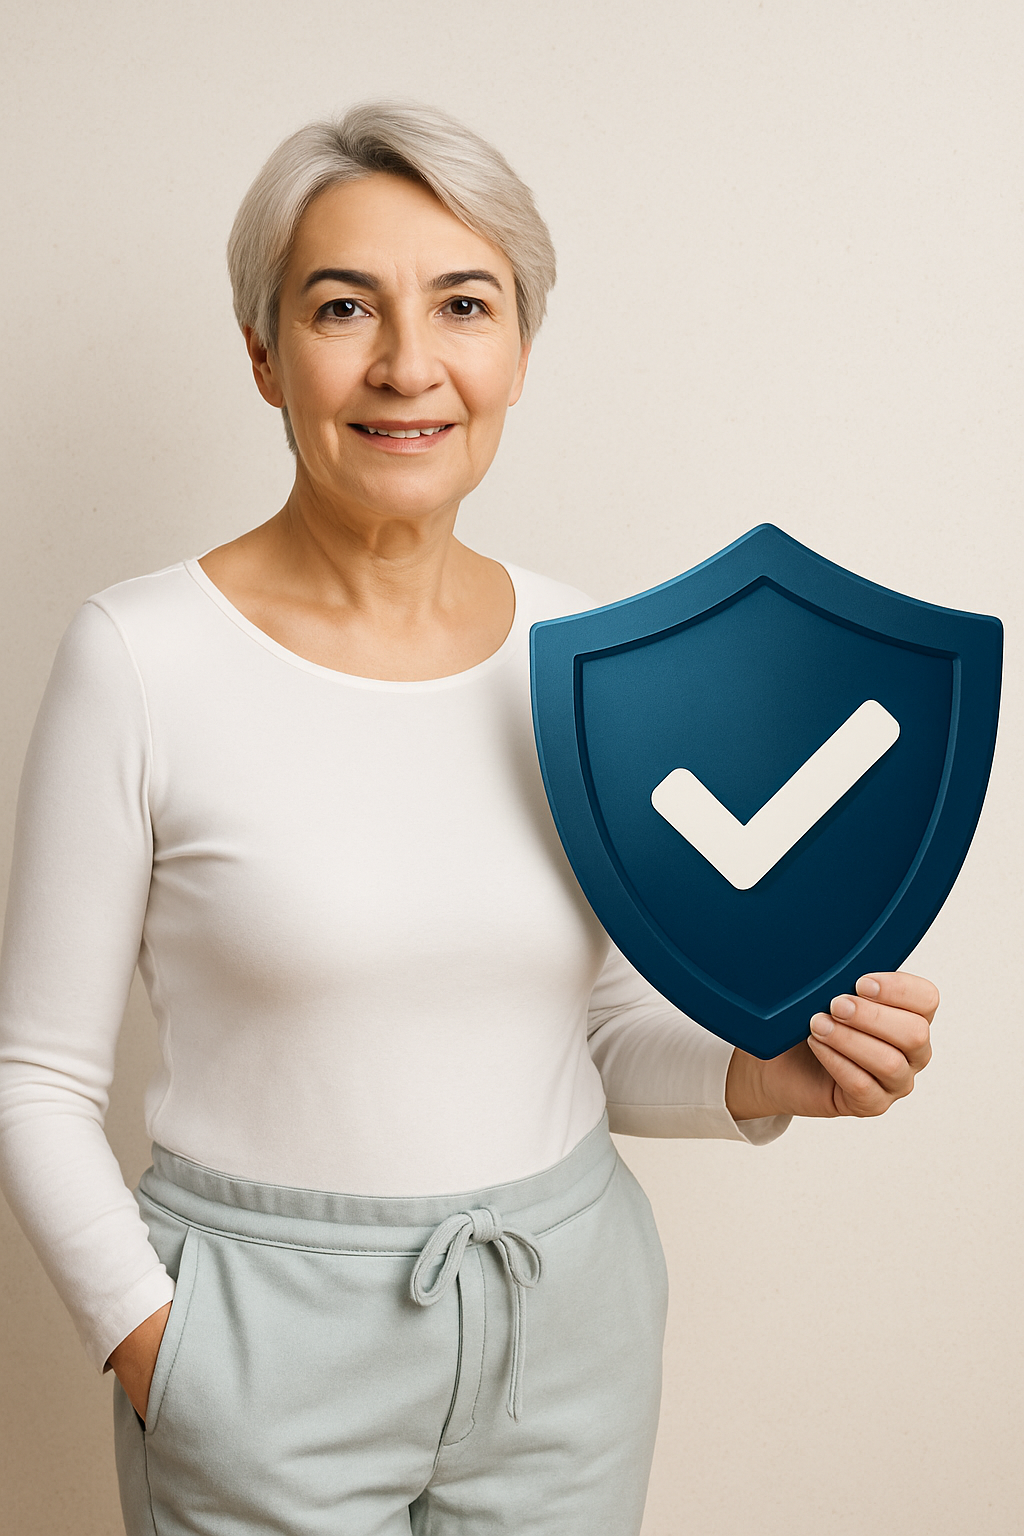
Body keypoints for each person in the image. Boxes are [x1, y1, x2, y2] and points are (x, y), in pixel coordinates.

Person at [0, 102, 936, 1536]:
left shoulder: (595, 658)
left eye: (463, 303)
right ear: (262, 352)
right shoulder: (141, 657)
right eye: (341, 307)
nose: (408, 365)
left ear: (519, 349)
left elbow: (607, 1030)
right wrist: (159, 1349)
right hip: (257, 1344)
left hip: (567, 1330)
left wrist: (771, 1075)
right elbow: (34, 1079)